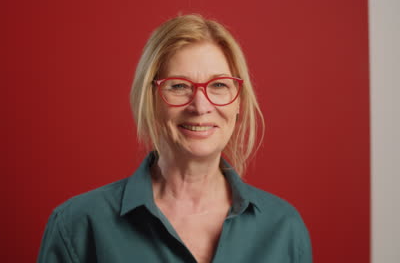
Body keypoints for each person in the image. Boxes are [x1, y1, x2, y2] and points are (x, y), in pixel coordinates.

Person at [38, 14, 312, 263]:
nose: (200, 106)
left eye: (219, 85)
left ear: (238, 101)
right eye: (179, 86)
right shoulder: (78, 225)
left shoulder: (284, 227)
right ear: (152, 99)